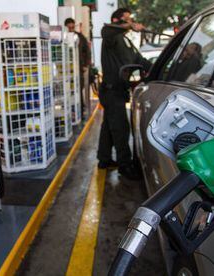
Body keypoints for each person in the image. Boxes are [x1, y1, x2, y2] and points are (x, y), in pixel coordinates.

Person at [97, 8, 152, 180]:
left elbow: (138, 59)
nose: (130, 22)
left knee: (109, 126)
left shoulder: (125, 40)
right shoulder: (110, 37)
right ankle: (125, 165)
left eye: (130, 19)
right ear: (116, 21)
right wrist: (129, 26)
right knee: (121, 127)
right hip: (112, 89)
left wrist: (155, 69)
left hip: (119, 90)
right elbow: (106, 30)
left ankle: (104, 159)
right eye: (125, 19)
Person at [64, 18, 92, 118]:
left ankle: (80, 110)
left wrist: (85, 65)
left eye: (72, 27)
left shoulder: (80, 37)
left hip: (78, 68)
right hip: (65, 69)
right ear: (65, 27)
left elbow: (87, 51)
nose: (71, 29)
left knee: (78, 89)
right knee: (67, 90)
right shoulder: (63, 37)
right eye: (69, 27)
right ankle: (68, 112)